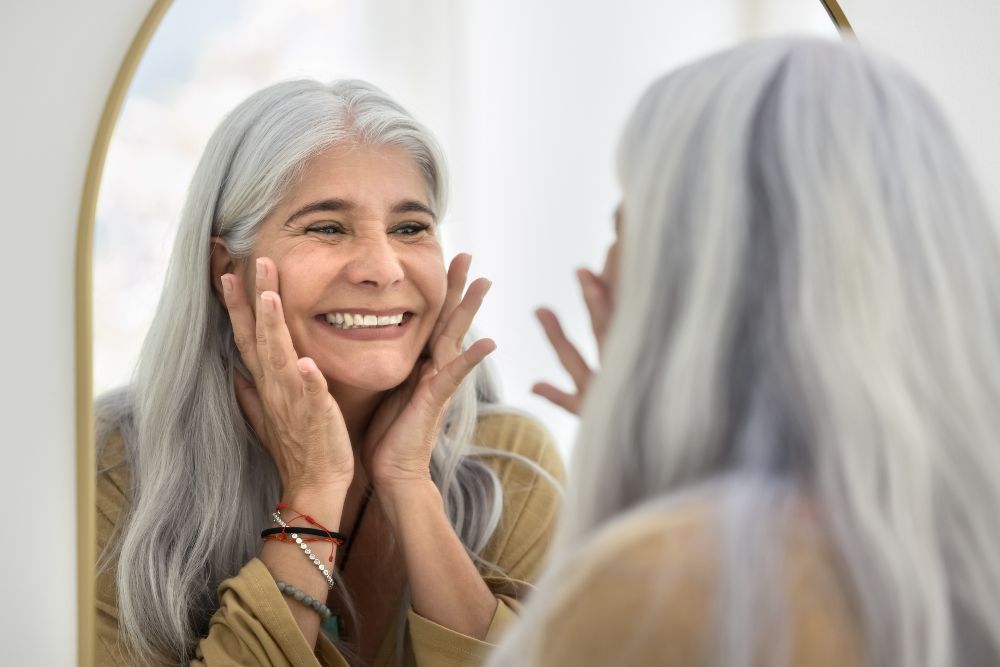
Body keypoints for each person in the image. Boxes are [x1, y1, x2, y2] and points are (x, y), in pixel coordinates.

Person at [492, 37, 1000, 666]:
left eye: (625, 226)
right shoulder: (949, 545)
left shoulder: (665, 591)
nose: (602, 270)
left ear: (701, 270)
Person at [94, 79, 563, 666]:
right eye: (327, 227)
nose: (382, 268)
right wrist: (314, 493)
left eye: (410, 227)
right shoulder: (114, 463)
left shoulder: (508, 458)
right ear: (225, 268)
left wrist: (409, 486)